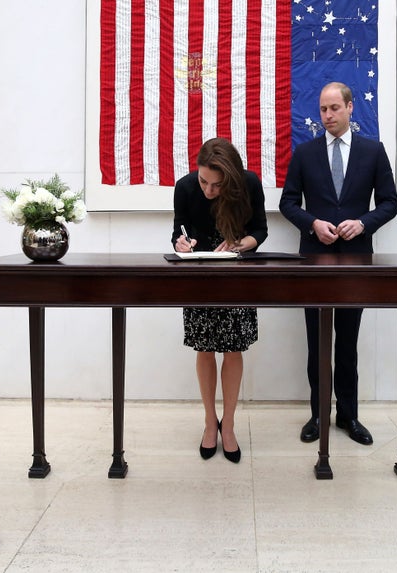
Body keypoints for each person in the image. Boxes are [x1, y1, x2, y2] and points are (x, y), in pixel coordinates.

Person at [279, 82, 397, 445]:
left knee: (347, 342)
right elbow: (288, 203)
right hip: (313, 261)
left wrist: (363, 222)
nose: (327, 116)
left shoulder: (373, 152)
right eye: (322, 110)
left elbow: (390, 203)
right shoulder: (304, 152)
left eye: (334, 108)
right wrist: (312, 223)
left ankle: (349, 416)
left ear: (350, 108)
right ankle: (318, 415)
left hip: (355, 262)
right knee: (317, 343)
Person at [172, 137, 268, 463]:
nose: (209, 190)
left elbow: (261, 231)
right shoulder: (185, 188)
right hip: (199, 278)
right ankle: (209, 421)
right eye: (203, 181)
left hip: (236, 275)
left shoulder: (249, 183)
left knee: (233, 348)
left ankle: (229, 424)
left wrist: (240, 244)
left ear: (230, 178)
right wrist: (181, 245)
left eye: (217, 185)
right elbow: (177, 234)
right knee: (204, 347)